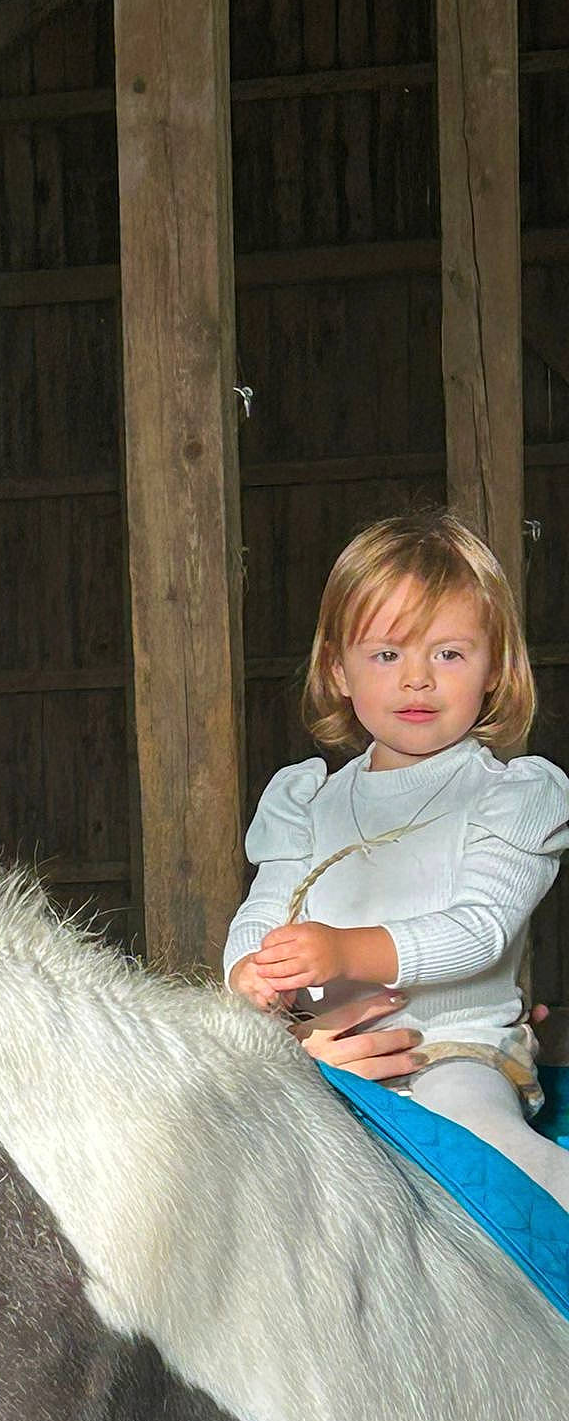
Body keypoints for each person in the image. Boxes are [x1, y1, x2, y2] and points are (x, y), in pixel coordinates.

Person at [225, 509, 569, 1204]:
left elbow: (481, 930)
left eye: (448, 654)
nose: (417, 680)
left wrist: (347, 953)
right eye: (387, 654)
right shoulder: (308, 801)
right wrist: (248, 976)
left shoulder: (511, 795)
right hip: (321, 1045)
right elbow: (265, 907)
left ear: (494, 669)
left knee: (480, 1144)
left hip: (450, 1048)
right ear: (339, 670)